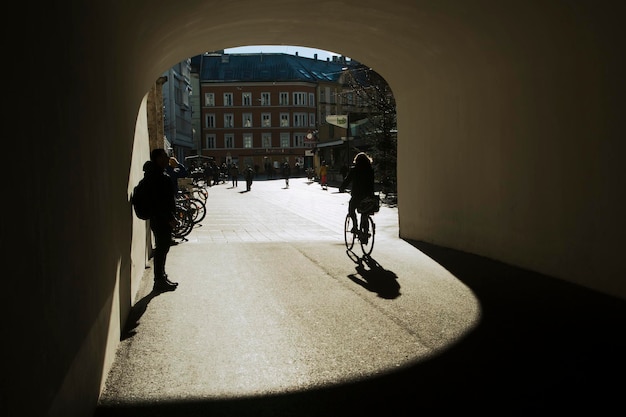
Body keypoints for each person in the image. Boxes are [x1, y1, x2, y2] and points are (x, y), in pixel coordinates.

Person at [144, 148, 179, 292]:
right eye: (164, 156)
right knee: (162, 249)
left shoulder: (155, 175)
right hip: (161, 219)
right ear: (158, 159)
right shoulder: (158, 177)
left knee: (162, 248)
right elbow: (160, 202)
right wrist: (170, 218)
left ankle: (162, 277)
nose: (167, 158)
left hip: (159, 218)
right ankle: (159, 280)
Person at [339, 152, 375, 236]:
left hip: (357, 195)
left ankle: (355, 226)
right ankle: (365, 230)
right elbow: (372, 183)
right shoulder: (370, 170)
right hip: (368, 195)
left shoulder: (354, 170)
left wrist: (342, 188)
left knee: (351, 210)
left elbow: (347, 180)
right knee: (365, 212)